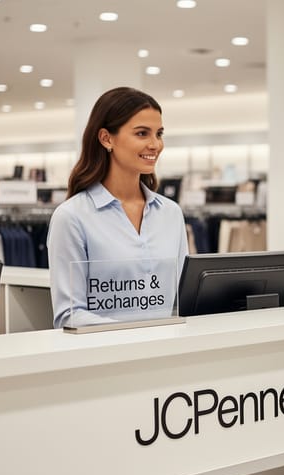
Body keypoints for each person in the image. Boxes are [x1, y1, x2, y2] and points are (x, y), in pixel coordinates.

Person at [48, 87, 189, 328]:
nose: (155, 144)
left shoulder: (171, 213)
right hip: (108, 358)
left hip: (167, 354)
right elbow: (68, 315)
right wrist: (135, 335)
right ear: (106, 138)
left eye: (159, 133)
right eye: (142, 133)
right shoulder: (71, 217)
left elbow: (183, 297)